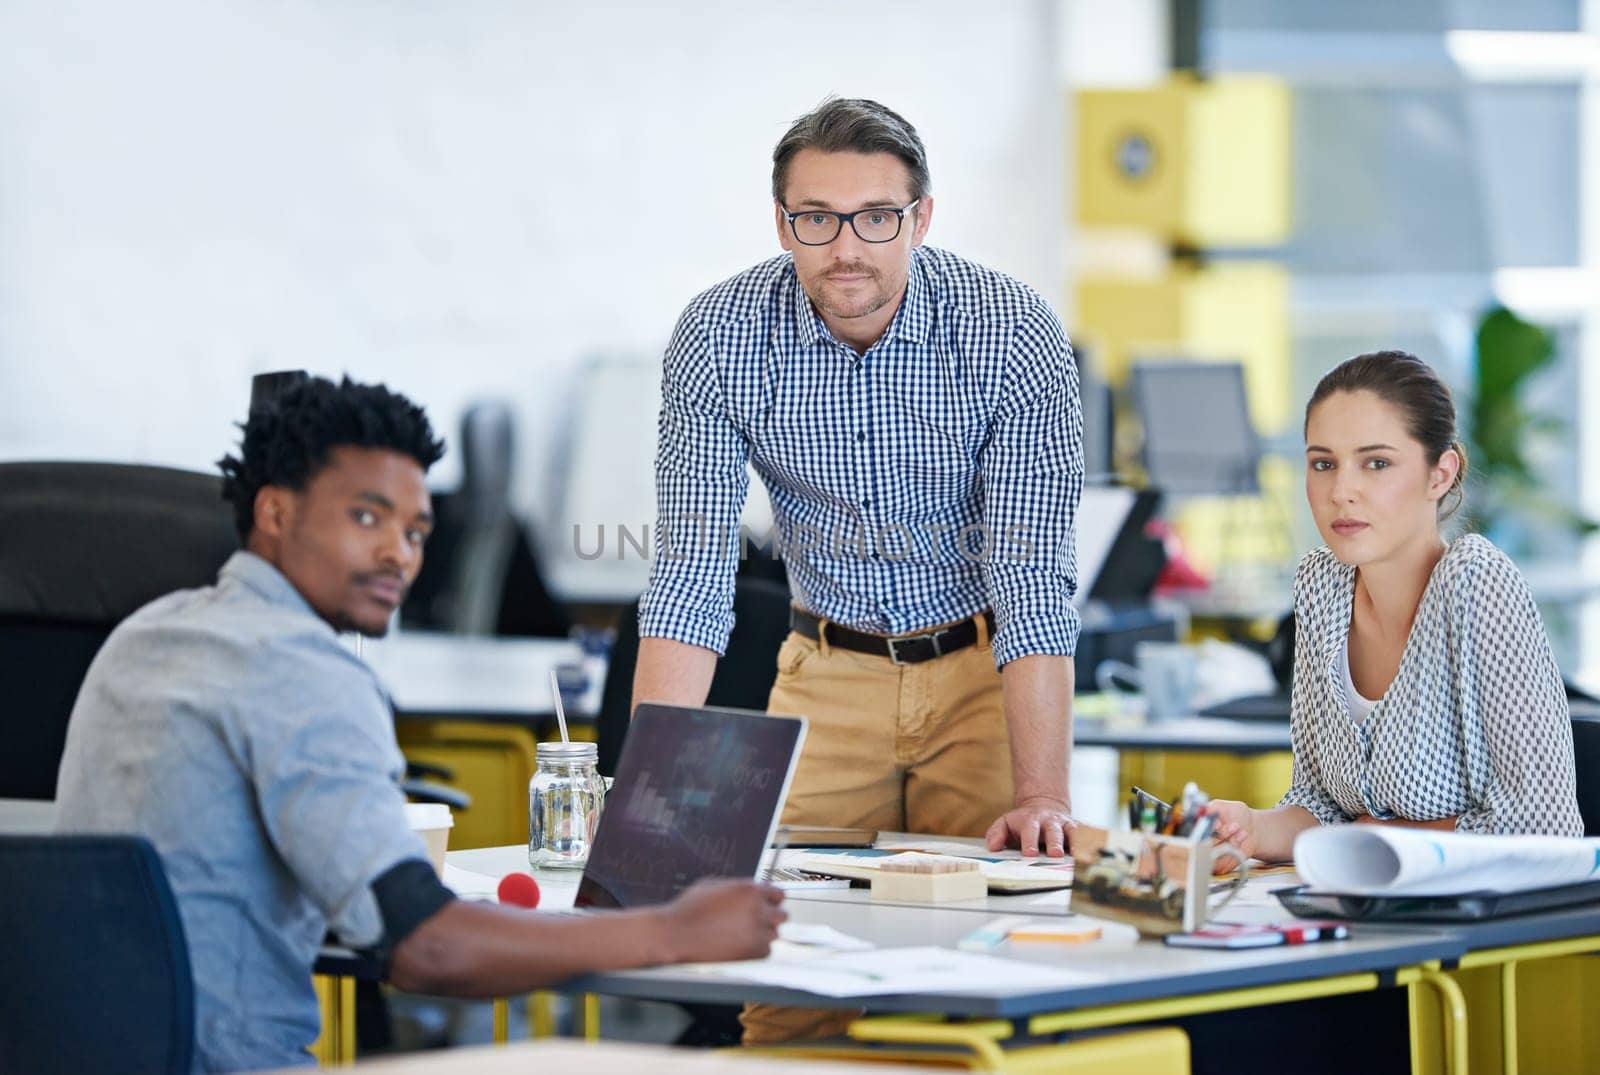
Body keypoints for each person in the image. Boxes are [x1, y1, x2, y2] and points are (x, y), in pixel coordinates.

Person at [54, 376, 785, 1073]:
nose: (397, 554)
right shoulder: (307, 672)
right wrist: (676, 929)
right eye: (366, 516)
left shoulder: (141, 635)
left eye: (416, 530)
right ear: (274, 512)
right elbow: (427, 951)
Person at [633, 97, 1082, 862]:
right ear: (783, 224)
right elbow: (692, 568)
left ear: (921, 218)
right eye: (818, 218)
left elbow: (1030, 574)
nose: (847, 247)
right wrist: (649, 787)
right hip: (825, 672)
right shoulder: (718, 336)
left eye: (876, 217)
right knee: (785, 950)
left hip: (983, 672)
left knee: (984, 947)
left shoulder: (1009, 329)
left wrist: (1042, 794)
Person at [1206, 351, 1582, 863]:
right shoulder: (1321, 583)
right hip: (1366, 905)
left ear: (1440, 474)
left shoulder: (1476, 583)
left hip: (1478, 925)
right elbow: (1320, 805)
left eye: (1376, 463)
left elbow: (1545, 828)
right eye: (1323, 464)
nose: (1341, 492)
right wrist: (1249, 827)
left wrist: (1381, 834)